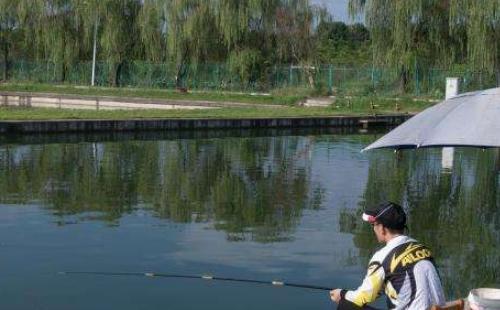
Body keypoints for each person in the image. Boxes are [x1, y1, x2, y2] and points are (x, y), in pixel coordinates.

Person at [330, 201, 446, 309]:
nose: (374, 229)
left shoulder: (382, 257)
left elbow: (362, 297)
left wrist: (342, 293)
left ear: (382, 228)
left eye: (373, 225)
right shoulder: (423, 249)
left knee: (346, 305)